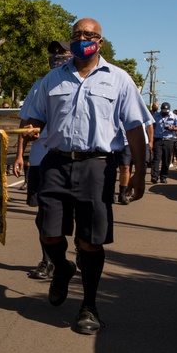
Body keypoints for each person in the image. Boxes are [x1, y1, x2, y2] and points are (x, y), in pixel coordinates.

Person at [22, 18, 152, 335]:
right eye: (78, 34)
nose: (83, 39)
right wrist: (33, 128)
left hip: (97, 165)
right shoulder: (52, 79)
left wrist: (139, 172)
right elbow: (35, 117)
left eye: (90, 35)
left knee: (91, 241)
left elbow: (135, 128)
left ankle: (89, 307)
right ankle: (62, 267)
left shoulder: (119, 79)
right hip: (56, 163)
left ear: (100, 42)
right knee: (48, 232)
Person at [13, 40, 72, 279]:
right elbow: (25, 121)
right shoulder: (40, 84)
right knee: (43, 214)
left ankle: (76, 252)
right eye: (53, 52)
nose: (56, 55)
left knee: (73, 212)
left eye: (62, 51)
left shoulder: (82, 83)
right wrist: (20, 154)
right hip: (40, 158)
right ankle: (49, 260)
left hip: (70, 159)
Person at [150, 102, 177, 184]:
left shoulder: (174, 117)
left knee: (166, 159)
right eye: (163, 112)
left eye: (166, 112)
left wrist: (172, 128)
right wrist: (151, 139)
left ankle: (163, 176)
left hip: (169, 140)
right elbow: (151, 127)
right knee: (156, 158)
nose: (165, 113)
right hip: (158, 140)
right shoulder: (155, 116)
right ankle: (154, 176)